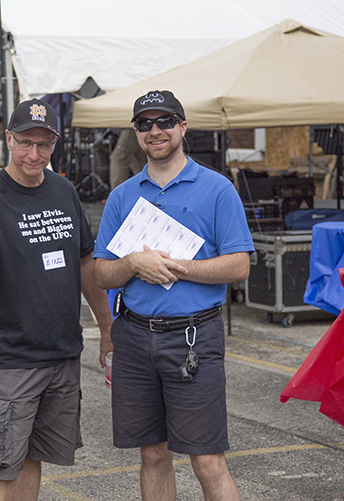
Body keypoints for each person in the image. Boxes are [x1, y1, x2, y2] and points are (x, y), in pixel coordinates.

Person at [0, 98, 113, 501]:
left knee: (32, 457)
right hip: (10, 359)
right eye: (25, 143)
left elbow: (86, 263)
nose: (34, 154)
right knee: (2, 465)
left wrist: (107, 328)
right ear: (8, 139)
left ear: (54, 143)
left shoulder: (64, 191)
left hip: (60, 354)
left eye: (43, 144)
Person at [93, 90, 254, 501]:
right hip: (134, 338)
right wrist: (132, 264)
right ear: (136, 133)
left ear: (183, 127)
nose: (155, 130)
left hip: (193, 338)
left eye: (165, 121)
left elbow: (239, 265)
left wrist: (175, 267)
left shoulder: (217, 189)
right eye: (145, 124)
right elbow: (99, 272)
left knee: (207, 460)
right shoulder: (123, 196)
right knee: (152, 455)